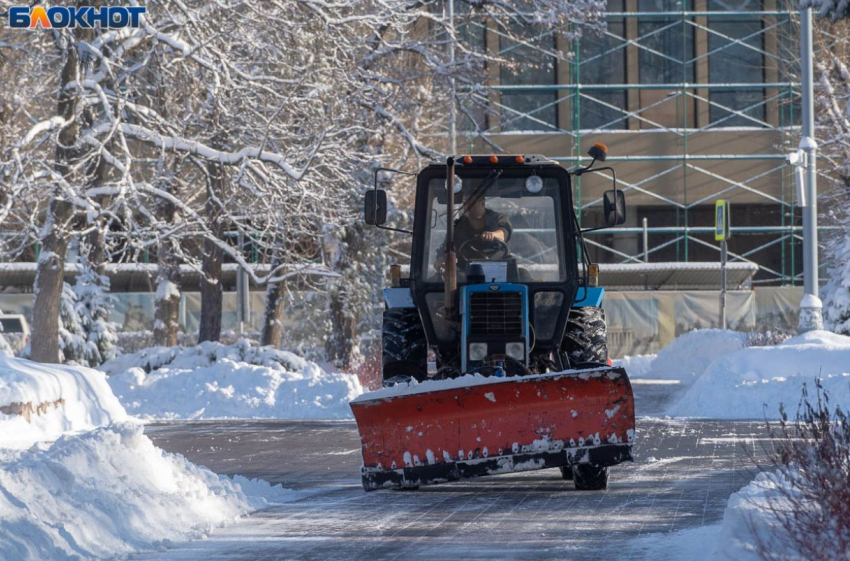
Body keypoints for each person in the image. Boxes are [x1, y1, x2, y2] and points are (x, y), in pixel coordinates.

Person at [435, 194, 513, 276]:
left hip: (498, 269)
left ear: (482, 203)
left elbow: (504, 233)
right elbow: (446, 249)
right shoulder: (457, 226)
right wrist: (441, 260)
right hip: (466, 273)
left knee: (523, 274)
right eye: (465, 202)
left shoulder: (497, 219)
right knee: (437, 279)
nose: (466, 206)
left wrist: (493, 235)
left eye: (471, 202)